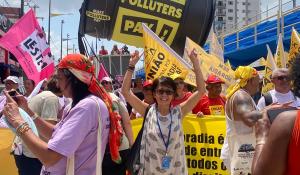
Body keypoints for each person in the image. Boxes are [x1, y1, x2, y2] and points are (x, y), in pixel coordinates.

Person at [3, 54, 123, 175]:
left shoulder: (86, 107)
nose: (57, 84)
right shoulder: (79, 105)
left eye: (59, 78)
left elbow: (49, 157)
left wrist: (18, 122)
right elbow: (55, 133)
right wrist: (27, 110)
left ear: (74, 79)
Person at [121, 49, 205, 174]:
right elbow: (125, 92)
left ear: (173, 95)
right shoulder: (147, 111)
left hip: (175, 171)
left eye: (168, 91)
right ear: (154, 93)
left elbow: (201, 91)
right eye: (160, 91)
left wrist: (196, 64)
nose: (164, 95)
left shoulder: (179, 112)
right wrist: (131, 65)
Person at [251, 55, 300, 175]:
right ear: (272, 80)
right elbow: (257, 120)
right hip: (273, 147)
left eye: (288, 77)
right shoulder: (266, 99)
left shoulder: (297, 98)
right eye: (280, 78)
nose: (285, 80)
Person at [12, 76, 60, 175]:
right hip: (30, 153)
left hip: (23, 149)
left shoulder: (43, 95)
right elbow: (49, 131)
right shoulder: (51, 98)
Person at [220, 66, 261, 174]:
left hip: (242, 151)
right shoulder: (241, 96)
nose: (259, 82)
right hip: (241, 152)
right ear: (251, 80)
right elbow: (249, 119)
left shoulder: (241, 94)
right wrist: (271, 110)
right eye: (258, 79)